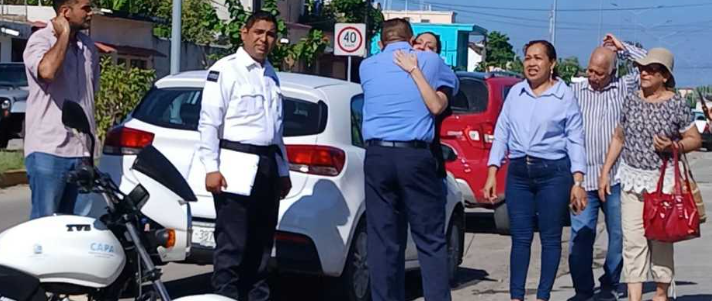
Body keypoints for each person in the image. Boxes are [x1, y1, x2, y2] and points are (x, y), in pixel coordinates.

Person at [359, 18, 458, 301]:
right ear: (411, 39)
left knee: (383, 240)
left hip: (377, 155)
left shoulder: (367, 66)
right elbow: (454, 86)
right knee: (429, 238)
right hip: (414, 155)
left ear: (381, 43)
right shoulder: (429, 60)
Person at [482, 40, 587, 301]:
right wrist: (493, 171)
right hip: (518, 172)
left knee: (550, 238)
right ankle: (516, 296)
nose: (531, 63)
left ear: (552, 64)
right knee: (520, 238)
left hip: (553, 173)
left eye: (538, 58)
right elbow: (502, 132)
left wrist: (578, 180)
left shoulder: (564, 96)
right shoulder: (516, 93)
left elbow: (575, 139)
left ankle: (542, 296)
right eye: (528, 58)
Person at [197, 11, 291, 300]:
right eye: (259, 32)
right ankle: (225, 297)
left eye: (271, 34)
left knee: (262, 247)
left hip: (267, 167)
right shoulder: (226, 70)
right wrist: (211, 167)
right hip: (235, 169)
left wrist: (284, 171)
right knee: (232, 246)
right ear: (244, 33)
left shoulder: (271, 75)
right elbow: (209, 122)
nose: (264, 39)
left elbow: (276, 130)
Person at [598, 48, 701, 301]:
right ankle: (634, 297)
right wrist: (605, 172)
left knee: (661, 240)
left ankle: (661, 293)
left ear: (664, 76)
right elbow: (619, 137)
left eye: (651, 69)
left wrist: (673, 146)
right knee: (633, 242)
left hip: (663, 183)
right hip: (632, 181)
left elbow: (694, 139)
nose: (643, 73)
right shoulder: (631, 100)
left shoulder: (675, 103)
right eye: (642, 68)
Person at [567, 33, 647, 301]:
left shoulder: (624, 88)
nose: (593, 76)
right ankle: (582, 290)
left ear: (612, 72)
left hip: (616, 177)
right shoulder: (575, 91)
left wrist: (623, 47)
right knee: (581, 235)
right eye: (590, 70)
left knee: (618, 236)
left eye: (600, 73)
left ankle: (610, 282)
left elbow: (648, 63)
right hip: (582, 178)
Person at [22, 0, 98, 219]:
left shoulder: (88, 47)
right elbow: (47, 72)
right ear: (65, 12)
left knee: (77, 228)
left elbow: (91, 94)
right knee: (45, 226)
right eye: (85, 8)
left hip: (82, 151)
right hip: (49, 151)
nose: (90, 13)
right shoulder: (40, 40)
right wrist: (63, 34)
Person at [393, 31, 453, 182]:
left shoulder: (444, 84)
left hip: (427, 158)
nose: (422, 48)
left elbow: (436, 106)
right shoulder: (394, 75)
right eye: (418, 43)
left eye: (429, 47)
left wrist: (414, 70)